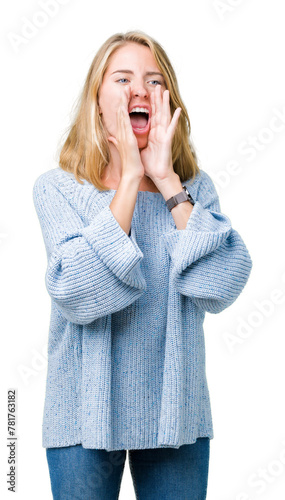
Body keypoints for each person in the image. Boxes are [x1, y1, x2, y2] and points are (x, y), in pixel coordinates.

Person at [33, 30, 253, 500]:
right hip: (81, 417)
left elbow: (224, 283)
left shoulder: (194, 188)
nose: (139, 90)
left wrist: (168, 181)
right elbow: (75, 291)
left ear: (168, 102)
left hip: (177, 414)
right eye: (123, 78)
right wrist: (131, 178)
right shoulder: (59, 189)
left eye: (154, 81)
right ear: (97, 100)